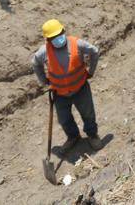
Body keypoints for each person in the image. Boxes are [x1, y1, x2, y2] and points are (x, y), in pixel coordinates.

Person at [32, 19, 103, 151]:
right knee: (64, 119)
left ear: (64, 31)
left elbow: (94, 52)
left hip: (80, 88)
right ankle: (73, 136)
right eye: (53, 37)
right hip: (59, 94)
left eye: (59, 34)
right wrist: (44, 80)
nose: (58, 38)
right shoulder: (44, 52)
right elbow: (35, 63)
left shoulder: (77, 44)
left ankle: (92, 135)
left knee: (88, 114)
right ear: (48, 40)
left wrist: (91, 71)